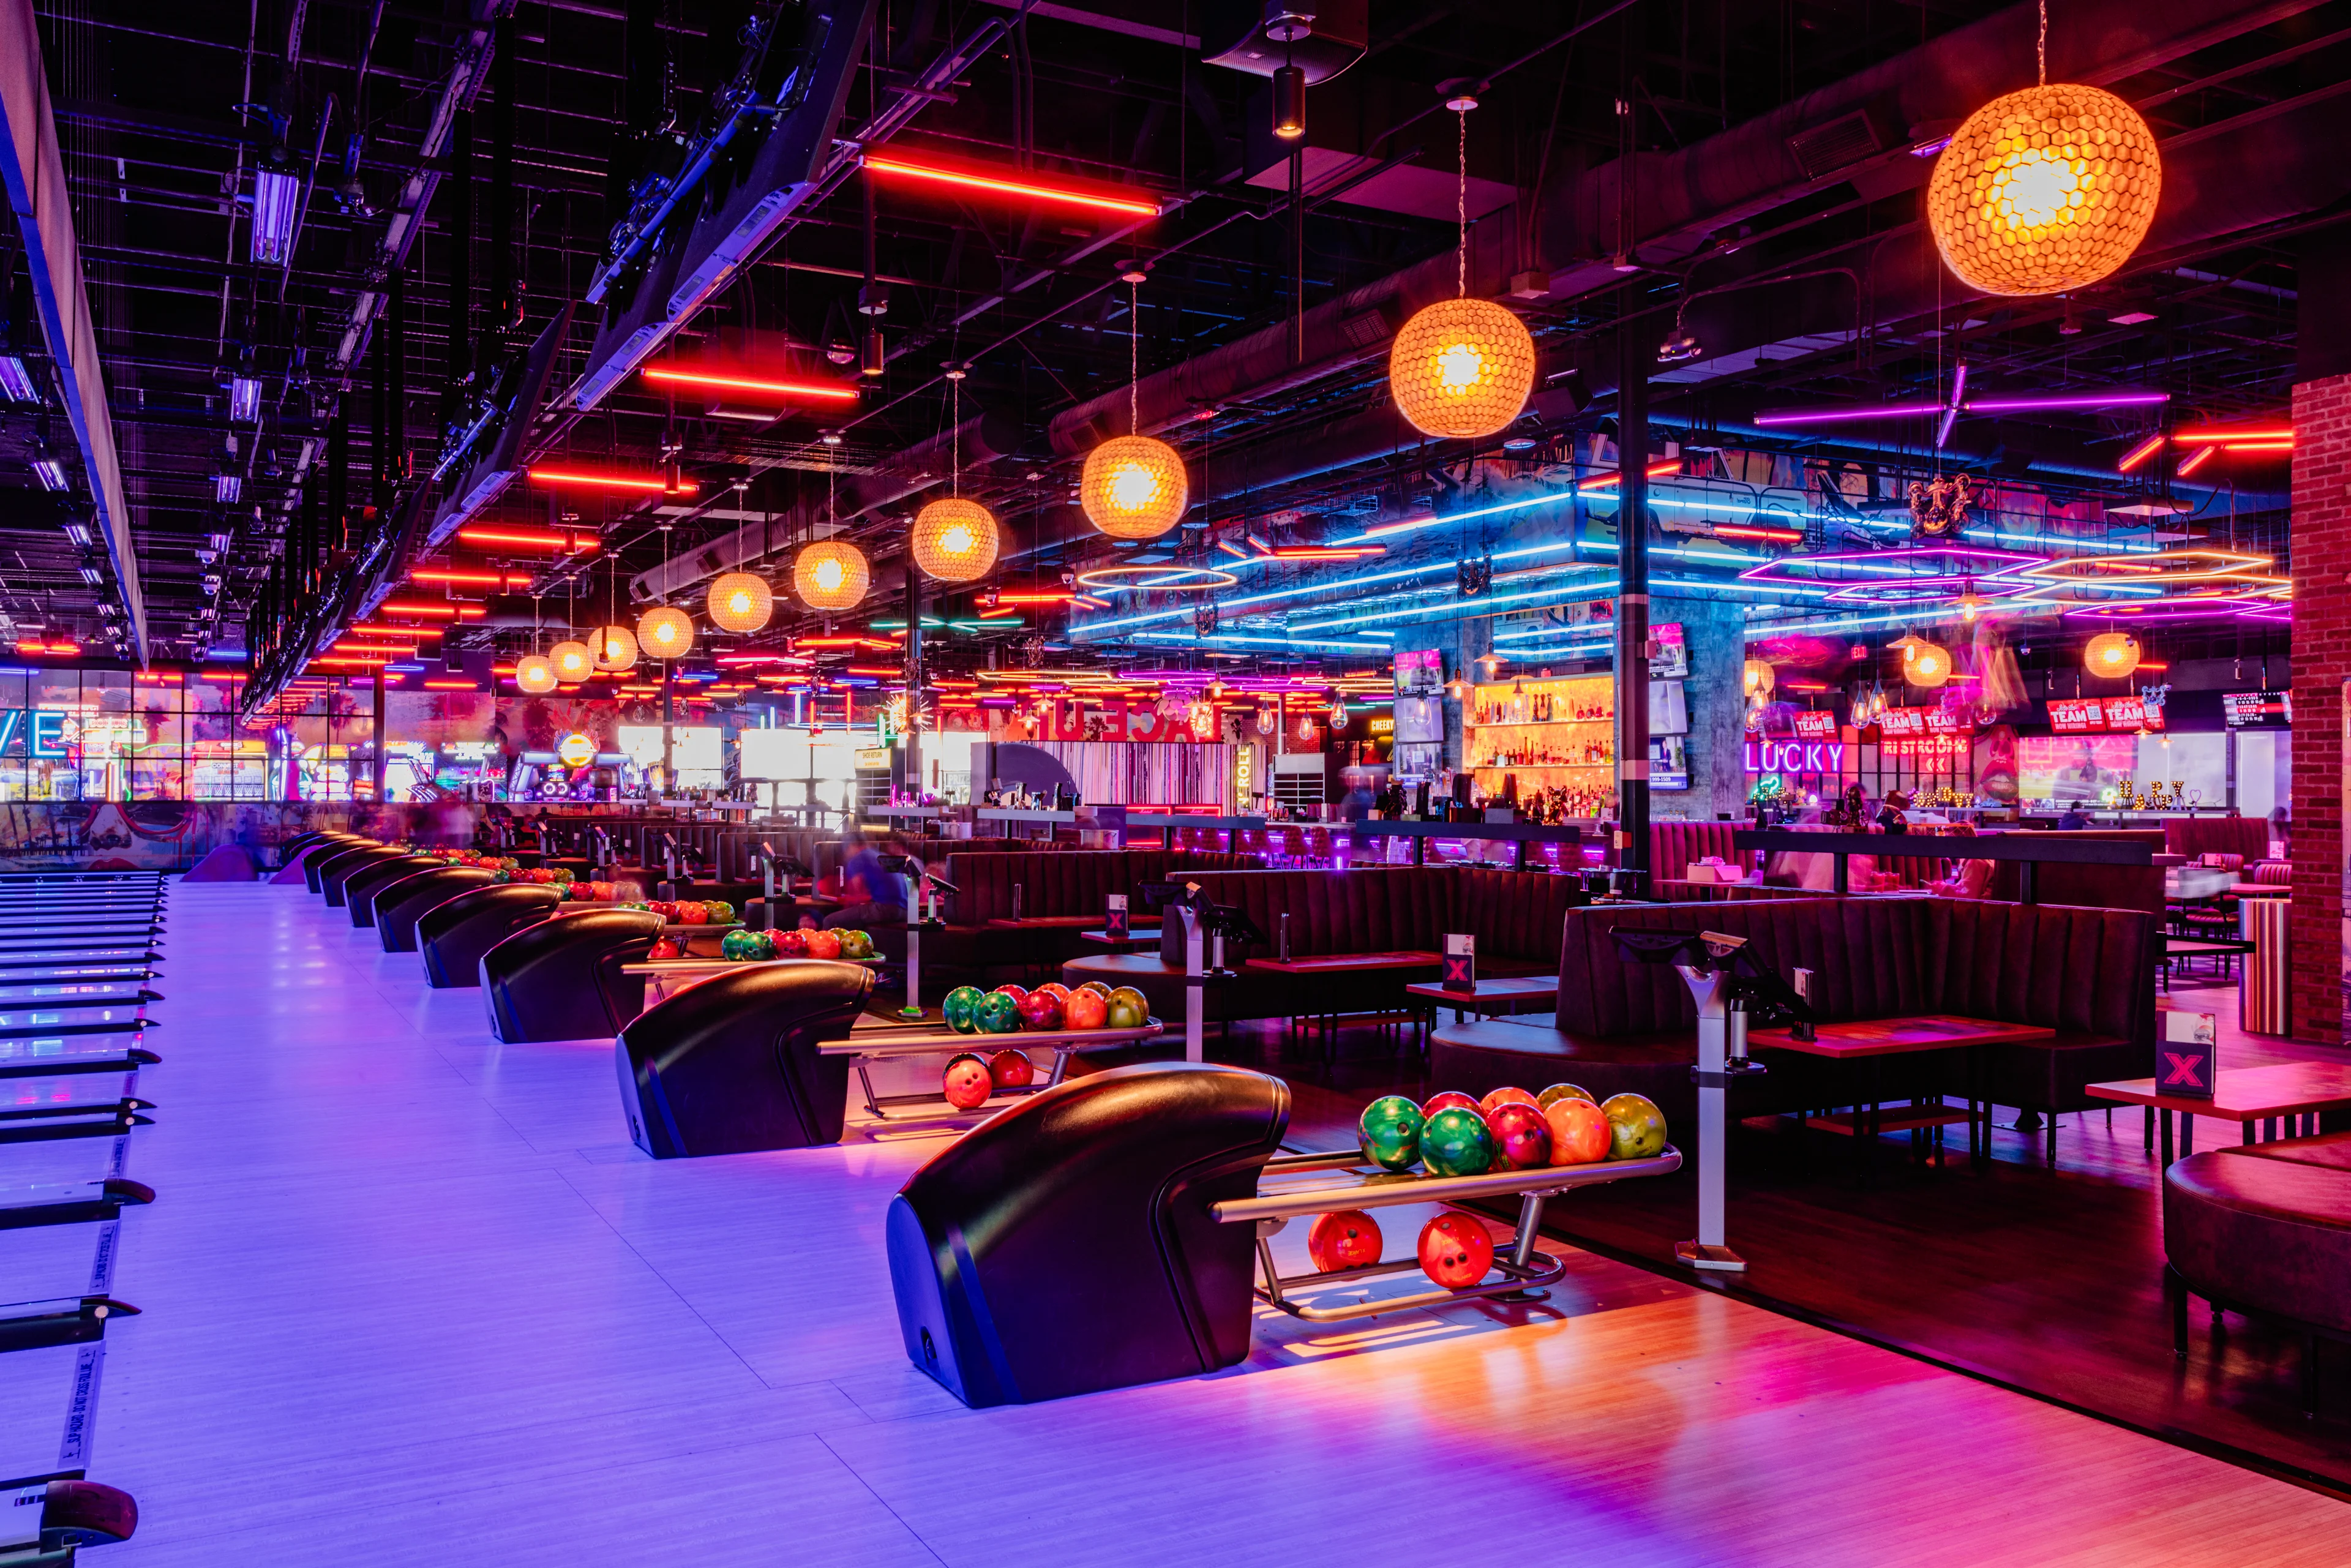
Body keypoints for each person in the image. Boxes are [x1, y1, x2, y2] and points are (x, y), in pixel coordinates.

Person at [823, 833, 909, 929]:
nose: (845, 854)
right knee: (854, 920)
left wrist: (844, 909)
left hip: (885, 910)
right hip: (906, 912)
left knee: (830, 920)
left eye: (845, 849)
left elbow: (857, 897)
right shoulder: (881, 855)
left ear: (852, 846)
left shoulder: (857, 859)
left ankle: (823, 944)